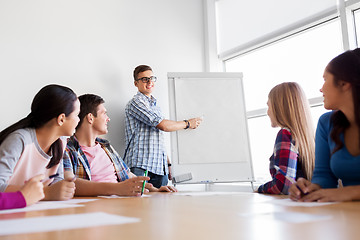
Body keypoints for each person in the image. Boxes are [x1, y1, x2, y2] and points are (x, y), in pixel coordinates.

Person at [63, 94, 177, 197]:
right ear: (90, 118)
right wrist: (116, 189)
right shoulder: (67, 149)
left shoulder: (105, 146)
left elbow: (127, 174)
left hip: (121, 203)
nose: (108, 119)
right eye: (104, 113)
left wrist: (153, 189)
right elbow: (70, 183)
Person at [289, 48, 360, 202]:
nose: (321, 88)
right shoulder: (326, 123)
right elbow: (324, 177)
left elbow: (342, 193)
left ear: (343, 83)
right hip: (348, 217)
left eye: (325, 79)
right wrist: (310, 188)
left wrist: (351, 192)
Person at [124, 65, 202, 188]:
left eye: (152, 78)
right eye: (144, 79)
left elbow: (158, 139)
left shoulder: (155, 106)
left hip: (160, 167)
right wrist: (187, 124)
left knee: (161, 205)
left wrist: (168, 164)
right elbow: (163, 126)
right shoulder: (136, 102)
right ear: (136, 83)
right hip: (141, 165)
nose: (149, 82)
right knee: (139, 206)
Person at [0, 84, 79, 201]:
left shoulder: (61, 142)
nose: (78, 119)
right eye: (77, 115)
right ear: (61, 119)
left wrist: (64, 188)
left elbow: (56, 181)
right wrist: (45, 193)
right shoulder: (19, 140)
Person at [257, 82, 315, 194]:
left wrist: (259, 189)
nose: (267, 112)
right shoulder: (309, 136)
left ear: (279, 107)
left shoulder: (285, 134)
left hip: (294, 207)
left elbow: (283, 186)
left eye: (268, 106)